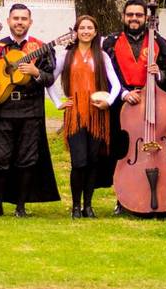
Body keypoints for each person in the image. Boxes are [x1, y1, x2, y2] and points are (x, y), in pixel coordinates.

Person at [0, 3, 60, 217]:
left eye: (23, 19)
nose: (19, 22)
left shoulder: (42, 47)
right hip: (3, 110)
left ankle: (21, 207)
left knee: (27, 159)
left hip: (30, 110)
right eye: (15, 18)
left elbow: (49, 78)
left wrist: (36, 72)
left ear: (30, 22)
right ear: (9, 21)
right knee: (0, 157)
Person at [102, 0, 166, 215]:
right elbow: (105, 74)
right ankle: (122, 199)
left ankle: (156, 195)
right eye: (130, 15)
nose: (134, 19)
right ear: (123, 17)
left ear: (146, 18)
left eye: (139, 15)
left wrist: (159, 74)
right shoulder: (110, 42)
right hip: (122, 102)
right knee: (123, 151)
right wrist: (124, 93)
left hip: (152, 101)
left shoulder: (160, 42)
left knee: (154, 151)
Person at [47, 15, 121, 218]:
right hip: (75, 115)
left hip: (97, 114)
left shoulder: (102, 56)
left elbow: (116, 85)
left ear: (96, 32)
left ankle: (88, 206)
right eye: (82, 28)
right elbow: (50, 81)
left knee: (92, 161)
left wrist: (109, 101)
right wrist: (58, 102)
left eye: (90, 28)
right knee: (78, 162)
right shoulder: (67, 55)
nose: (86, 31)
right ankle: (75, 207)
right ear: (76, 31)